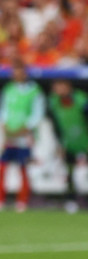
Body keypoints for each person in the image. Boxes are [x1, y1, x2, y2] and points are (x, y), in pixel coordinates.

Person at [0, 61, 45, 213]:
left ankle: (22, 202)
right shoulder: (8, 89)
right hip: (8, 136)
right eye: (14, 71)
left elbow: (37, 114)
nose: (16, 74)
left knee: (23, 168)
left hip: (24, 137)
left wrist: (24, 129)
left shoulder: (34, 91)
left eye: (20, 71)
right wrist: (4, 127)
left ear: (25, 73)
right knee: (1, 167)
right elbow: (2, 111)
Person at [47, 79, 88, 212]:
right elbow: (56, 126)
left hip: (85, 140)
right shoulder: (54, 101)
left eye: (60, 86)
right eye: (55, 87)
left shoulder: (81, 99)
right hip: (69, 142)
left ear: (68, 87)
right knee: (69, 172)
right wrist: (60, 143)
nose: (57, 90)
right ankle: (71, 200)